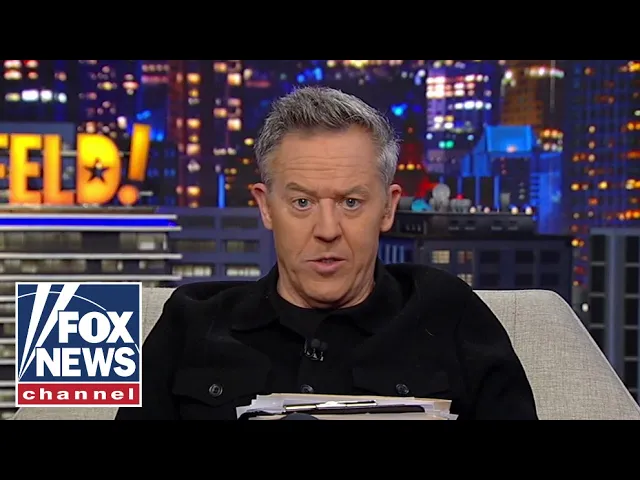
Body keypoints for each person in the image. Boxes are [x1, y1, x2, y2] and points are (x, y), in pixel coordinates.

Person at [115, 86, 538, 421]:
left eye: (351, 202)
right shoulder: (190, 323)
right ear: (266, 206)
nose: (328, 230)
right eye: (302, 203)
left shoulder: (450, 314)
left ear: (387, 208)